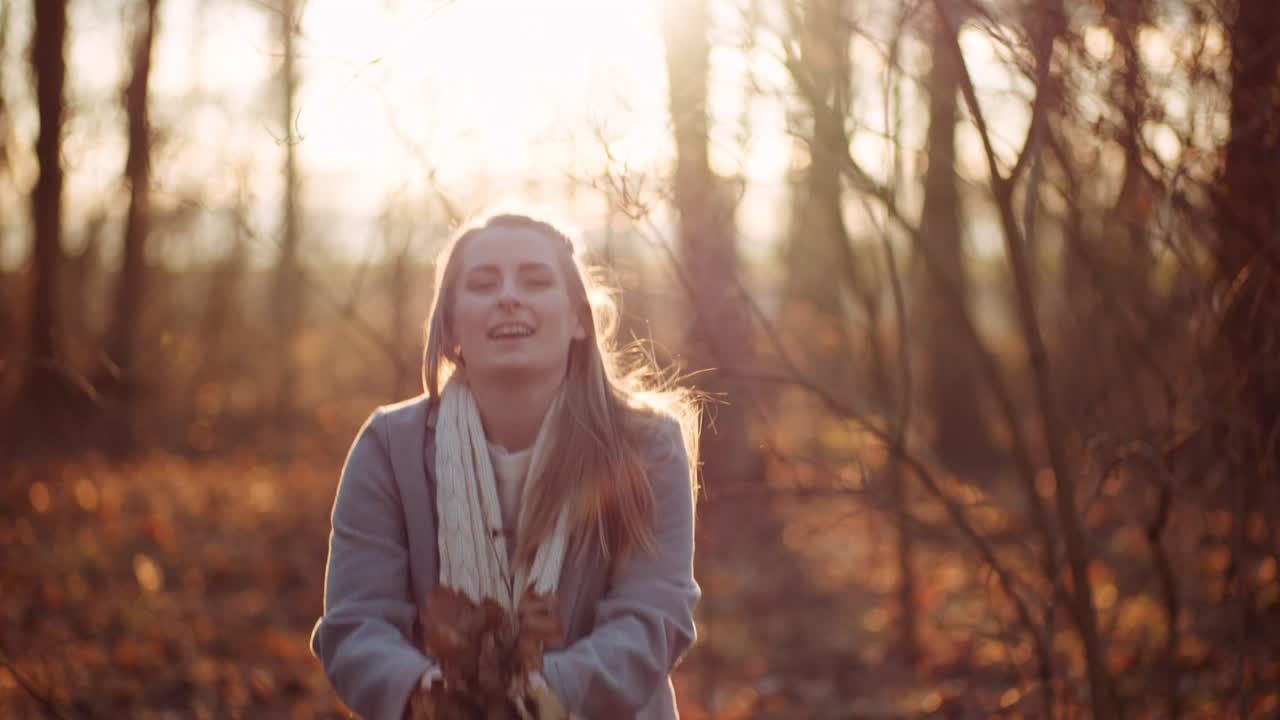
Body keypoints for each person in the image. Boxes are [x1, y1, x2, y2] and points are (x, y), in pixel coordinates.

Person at [310, 212, 701, 720]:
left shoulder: (648, 445)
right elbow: (356, 623)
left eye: (535, 280)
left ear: (580, 319)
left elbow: (654, 620)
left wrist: (537, 701)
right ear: (450, 326)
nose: (508, 296)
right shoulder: (388, 447)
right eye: (483, 283)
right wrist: (435, 698)